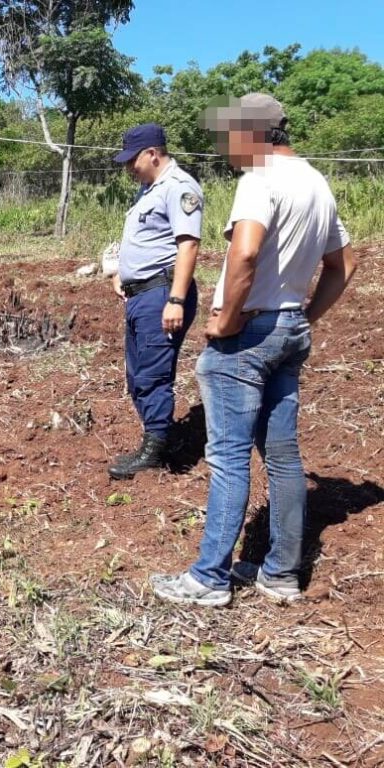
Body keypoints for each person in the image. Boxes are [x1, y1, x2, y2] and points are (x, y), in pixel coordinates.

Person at [151, 94, 357, 606]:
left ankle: (209, 578)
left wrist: (225, 320)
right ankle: (281, 574)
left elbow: (244, 252)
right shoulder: (316, 182)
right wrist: (301, 318)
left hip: (247, 337)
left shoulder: (259, 179)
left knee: (227, 457)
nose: (227, 149)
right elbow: (344, 264)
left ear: (251, 133)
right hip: (288, 330)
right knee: (284, 458)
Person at [108, 123, 203, 479]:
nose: (129, 168)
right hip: (140, 296)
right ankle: (158, 437)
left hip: (162, 294)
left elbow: (188, 245)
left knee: (153, 374)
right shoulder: (148, 191)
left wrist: (176, 299)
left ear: (152, 154)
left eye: (133, 160)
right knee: (137, 375)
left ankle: (157, 450)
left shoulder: (179, 188)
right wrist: (122, 274)